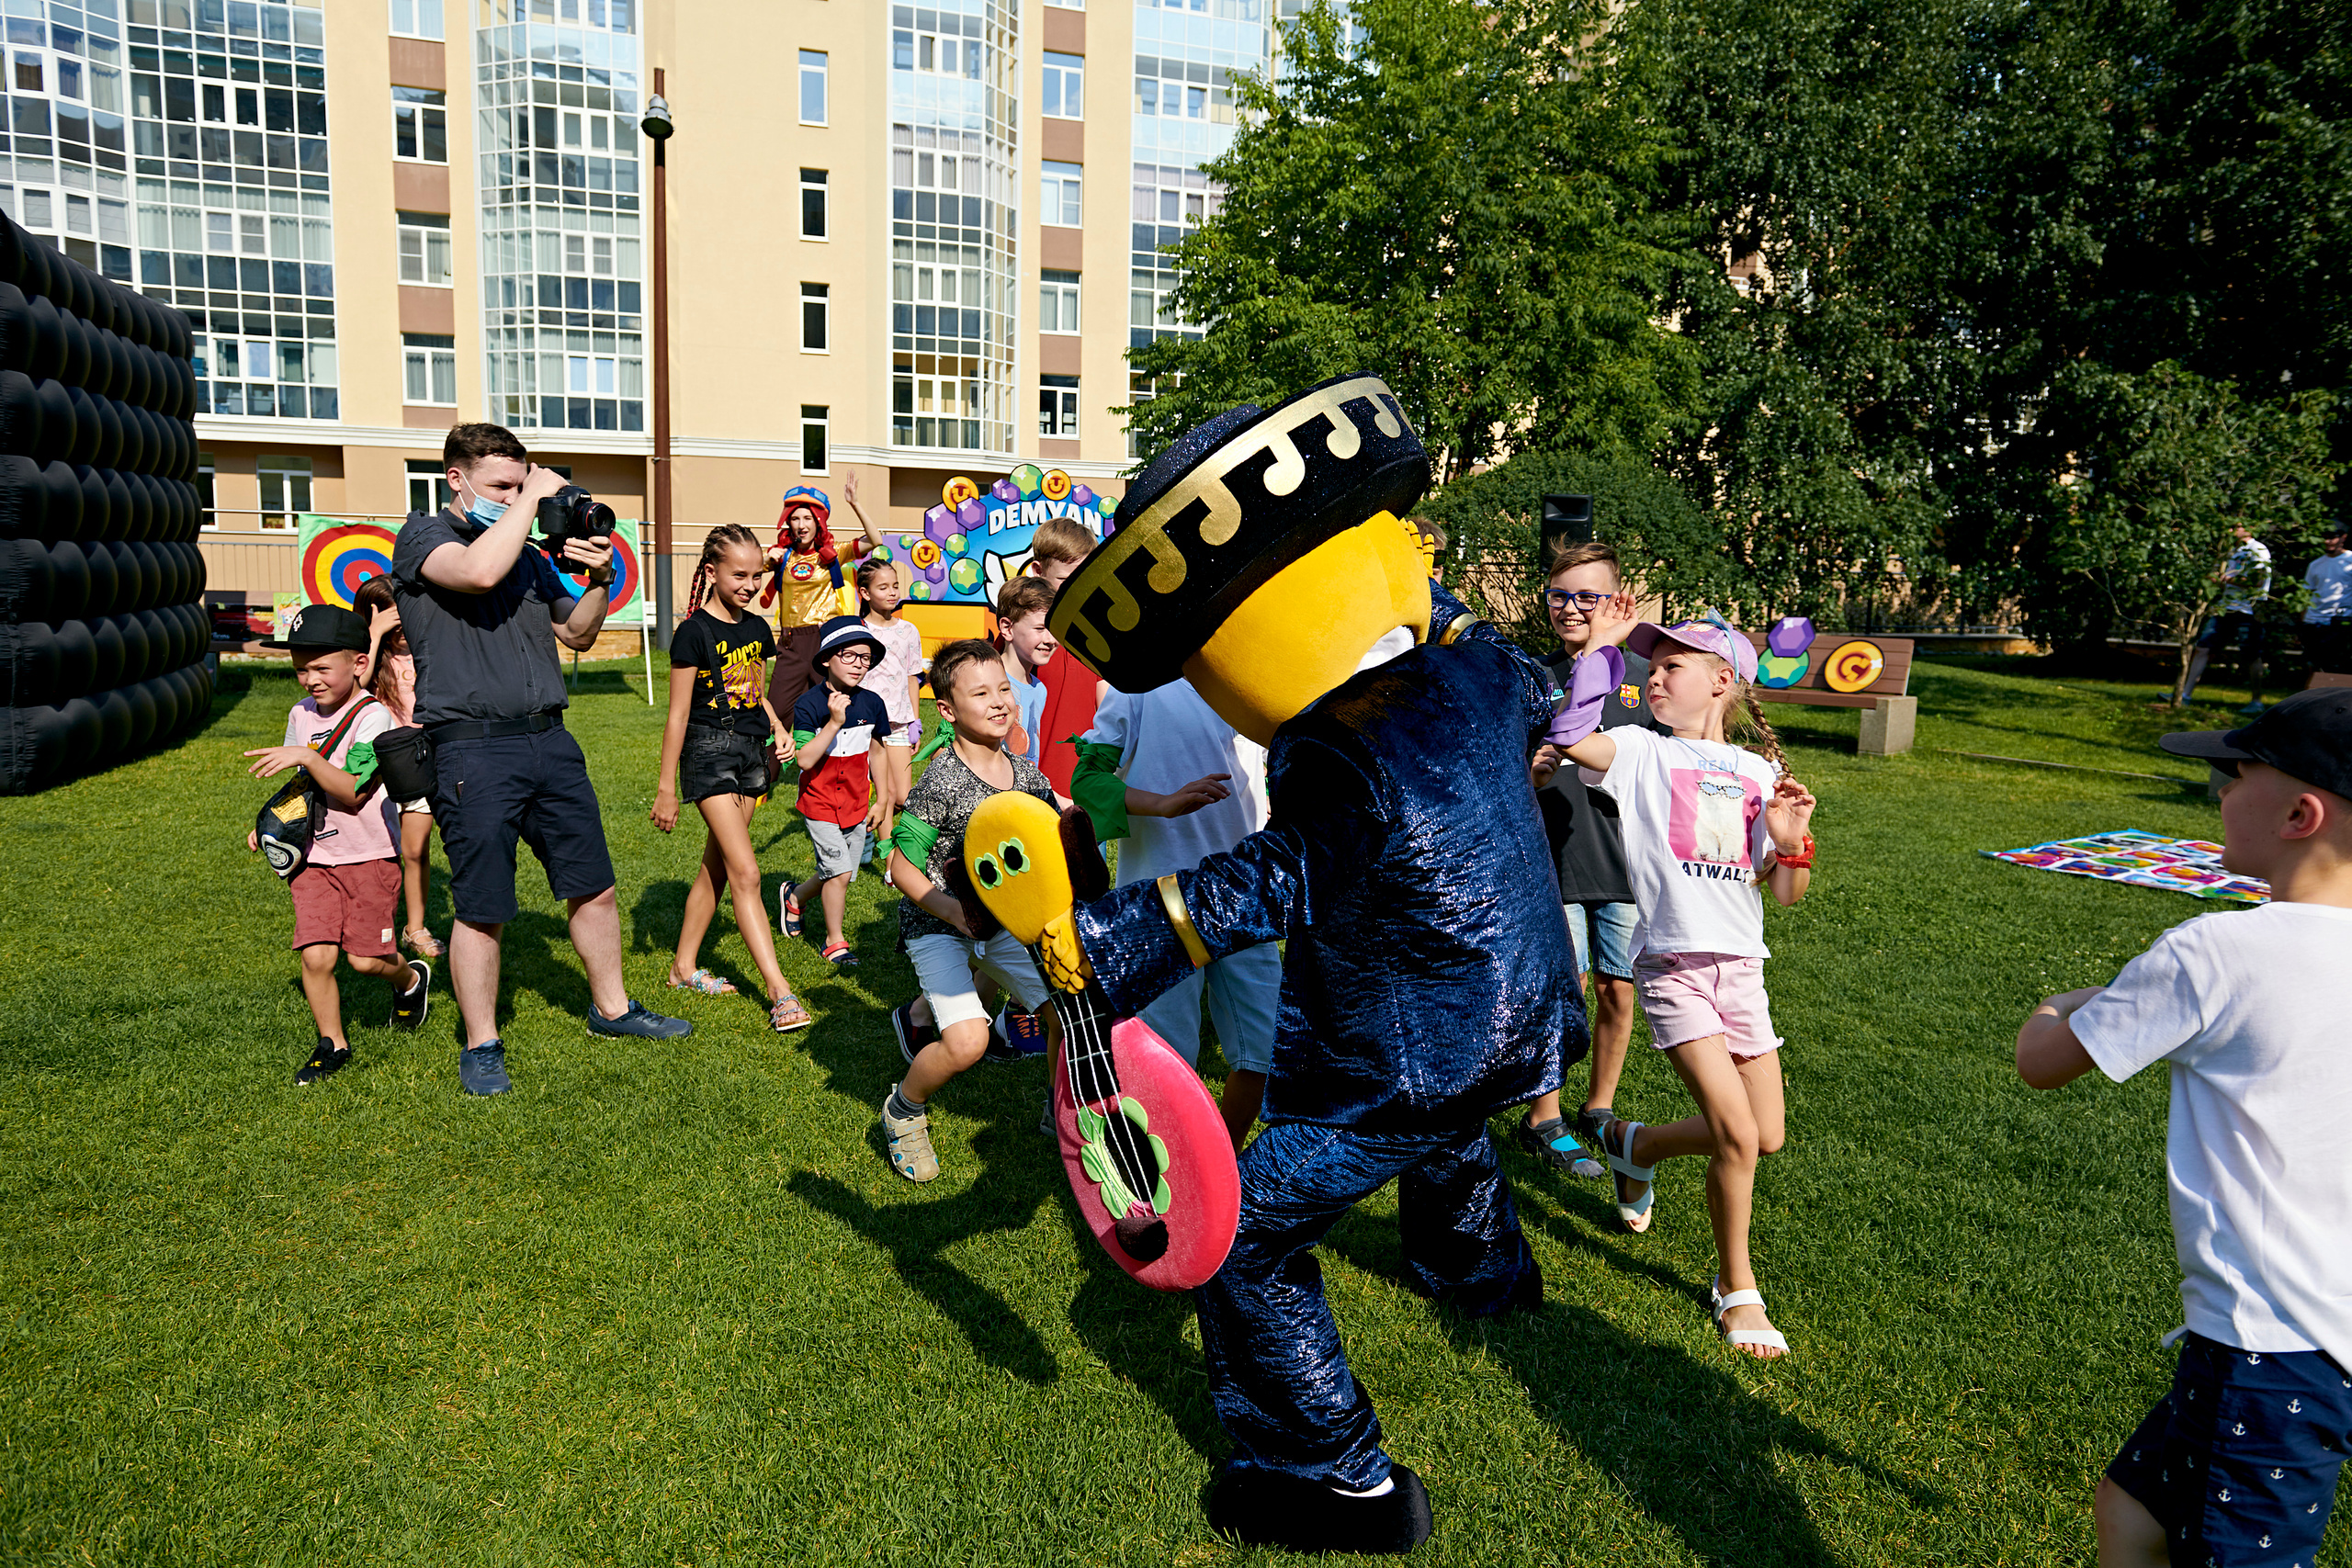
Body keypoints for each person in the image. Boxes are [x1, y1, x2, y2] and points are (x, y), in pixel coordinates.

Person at [960, 378, 1587, 1553]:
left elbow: (1265, 882)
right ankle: (1481, 1274)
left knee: (1245, 1235)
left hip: (1416, 1043)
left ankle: (1331, 1476)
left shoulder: (1332, 747)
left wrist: (1099, 946)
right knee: (1450, 1133)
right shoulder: (1484, 675)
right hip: (1526, 1009)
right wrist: (1423, 590)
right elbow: (1499, 650)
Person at [2014, 688, 2352, 1568]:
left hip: (2267, 1344)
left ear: (2299, 812)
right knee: (2133, 1510)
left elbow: (2043, 1057)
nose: (2216, 792)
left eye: (2232, 772)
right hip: (2320, 1334)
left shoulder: (2218, 952)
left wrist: (2075, 998)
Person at [389, 422, 688, 1099]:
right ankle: (482, 1043)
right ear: (454, 480)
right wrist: (535, 500)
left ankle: (612, 1010)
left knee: (594, 884)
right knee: (482, 905)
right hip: (471, 744)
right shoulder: (424, 537)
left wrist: (600, 576)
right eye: (501, 485)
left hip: (549, 739)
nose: (514, 496)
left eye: (520, 484)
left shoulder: (525, 555)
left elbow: (576, 632)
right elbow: (478, 570)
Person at [1557, 607, 1816, 1359]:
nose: (1656, 676)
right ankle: (1737, 1288)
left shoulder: (1759, 772)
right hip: (1672, 964)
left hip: (1742, 970)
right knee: (1736, 1134)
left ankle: (1635, 1145)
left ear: (1722, 681)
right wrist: (1594, 665)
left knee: (1766, 1135)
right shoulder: (1640, 749)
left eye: (1674, 665)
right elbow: (1573, 738)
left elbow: (1787, 894)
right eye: (1652, 663)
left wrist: (1791, 844)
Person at [878, 638, 1062, 1183]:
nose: (999, 701)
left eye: (1004, 688)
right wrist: (956, 913)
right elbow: (901, 868)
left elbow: (1050, 841)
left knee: (1067, 1016)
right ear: (948, 710)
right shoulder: (940, 781)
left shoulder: (1026, 776)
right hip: (937, 924)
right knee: (968, 1042)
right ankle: (903, 1110)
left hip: (1000, 922)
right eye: (980, 693)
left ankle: (1064, 1115)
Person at [1071, 677, 1277, 1151]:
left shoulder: (1253, 682)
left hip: (1248, 893)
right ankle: (1160, 1176)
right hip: (1163, 903)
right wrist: (1162, 805)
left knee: (1265, 1053)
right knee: (1164, 1061)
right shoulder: (1138, 686)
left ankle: (1216, 1165)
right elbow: (1087, 782)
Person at [243, 604, 431, 1084]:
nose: (310, 679)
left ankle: (409, 980)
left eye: (322, 667)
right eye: (301, 668)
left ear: (359, 664)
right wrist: (272, 824)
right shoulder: (299, 713)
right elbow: (300, 782)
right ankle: (332, 1043)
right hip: (313, 857)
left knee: (365, 960)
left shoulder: (375, 719)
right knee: (316, 955)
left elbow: (352, 790)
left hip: (369, 856)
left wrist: (306, 754)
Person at [1522, 538, 1662, 1181]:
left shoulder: (1647, 679)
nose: (1572, 606)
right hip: (1555, 859)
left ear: (1618, 600)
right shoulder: (1536, 676)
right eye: (1560, 594)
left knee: (1617, 989)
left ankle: (1598, 1105)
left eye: (1588, 595)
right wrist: (1538, 768)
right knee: (1565, 987)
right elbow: (1522, 764)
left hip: (1628, 864)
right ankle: (1542, 1115)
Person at [650, 525, 812, 1032]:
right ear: (713, 571)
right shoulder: (692, 632)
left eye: (755, 574)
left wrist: (779, 727)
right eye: (738, 574)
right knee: (746, 873)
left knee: (716, 869)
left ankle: (682, 966)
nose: (747, 583)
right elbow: (677, 715)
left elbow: (752, 692)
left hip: (751, 755)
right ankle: (779, 990)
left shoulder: (758, 630)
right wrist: (666, 789)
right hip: (708, 754)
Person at [783, 615, 892, 969]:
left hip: (858, 803)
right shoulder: (808, 705)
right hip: (820, 803)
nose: (859, 664)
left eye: (865, 658)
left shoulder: (873, 703)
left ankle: (795, 896)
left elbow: (878, 751)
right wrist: (833, 723)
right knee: (840, 873)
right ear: (827, 659)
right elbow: (804, 759)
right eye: (849, 655)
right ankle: (834, 941)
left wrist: (884, 798)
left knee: (838, 870)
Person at [352, 573, 443, 960]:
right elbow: (356, 684)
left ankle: (415, 927)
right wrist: (372, 636)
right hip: (379, 767)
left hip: (422, 763)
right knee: (378, 853)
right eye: (395, 623)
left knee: (415, 849)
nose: (402, 630)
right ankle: (373, 925)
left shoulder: (429, 647)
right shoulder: (367, 655)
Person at [761, 471, 891, 708]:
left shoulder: (834, 553)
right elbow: (748, 571)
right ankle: (777, 746)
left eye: (808, 518)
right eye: (795, 518)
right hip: (790, 642)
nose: (801, 525)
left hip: (825, 640)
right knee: (777, 711)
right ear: (787, 522)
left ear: (818, 521)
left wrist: (855, 503)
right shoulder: (782, 556)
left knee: (829, 709)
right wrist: (767, 560)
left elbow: (875, 539)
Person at [1023, 515, 1102, 795]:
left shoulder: (1097, 629)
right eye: (1066, 580)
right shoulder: (1020, 630)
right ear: (1037, 570)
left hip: (1085, 784)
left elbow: (1108, 706)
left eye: (1085, 579)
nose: (1077, 589)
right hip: (1030, 784)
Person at [858, 556, 925, 850]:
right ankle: (887, 859)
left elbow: (913, 676)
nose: (892, 592)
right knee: (882, 791)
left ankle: (867, 826)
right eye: (883, 587)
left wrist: (915, 720)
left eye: (895, 585)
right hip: (867, 726)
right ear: (865, 593)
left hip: (899, 723)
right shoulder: (858, 630)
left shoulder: (909, 630)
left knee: (902, 796)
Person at [2180, 523, 2273, 711]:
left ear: (2250, 527)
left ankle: (2256, 701)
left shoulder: (2258, 549)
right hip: (2225, 608)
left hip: (2247, 609)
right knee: (2202, 648)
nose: (2230, 531)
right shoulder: (2230, 551)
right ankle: (2184, 695)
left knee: (2251, 655)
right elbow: (2218, 575)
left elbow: (2258, 580)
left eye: (2236, 527)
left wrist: (2227, 578)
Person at [994, 573, 1056, 764]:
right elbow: (946, 749)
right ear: (1007, 628)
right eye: (1039, 629)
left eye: (1054, 628)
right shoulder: (985, 682)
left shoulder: (1040, 690)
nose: (1050, 640)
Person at [2301, 519, 2351, 677]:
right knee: (2313, 663)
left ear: (2343, 537)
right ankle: (2312, 698)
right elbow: (2306, 594)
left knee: (2336, 665)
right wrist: (2302, 623)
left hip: (2340, 620)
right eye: (2325, 537)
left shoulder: (2350, 561)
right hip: (2313, 621)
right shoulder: (2315, 564)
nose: (2327, 541)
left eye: (2332, 537)